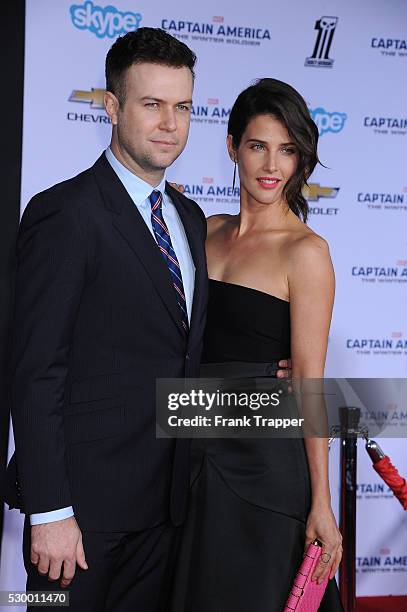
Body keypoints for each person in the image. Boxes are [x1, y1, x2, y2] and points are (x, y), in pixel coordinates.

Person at [4, 28, 208, 612]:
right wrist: (50, 511)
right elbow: (37, 370)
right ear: (113, 107)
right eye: (152, 105)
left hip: (167, 512)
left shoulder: (190, 219)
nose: (170, 123)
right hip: (79, 520)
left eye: (183, 107)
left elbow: (178, 351)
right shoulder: (63, 213)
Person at [171, 78, 344, 611]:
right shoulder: (202, 231)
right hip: (191, 450)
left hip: (263, 464)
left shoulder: (306, 253)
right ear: (231, 146)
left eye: (288, 150)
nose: (272, 165)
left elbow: (309, 383)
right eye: (258, 146)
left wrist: (322, 500)